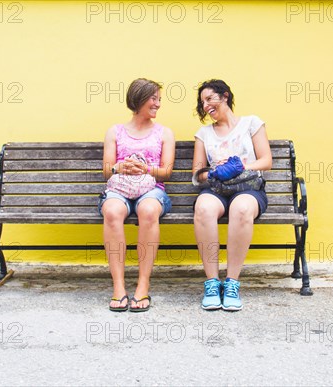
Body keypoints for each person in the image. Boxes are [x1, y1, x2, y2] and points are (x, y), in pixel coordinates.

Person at [192, 79, 272, 311]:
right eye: (202, 103)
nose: (206, 106)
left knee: (241, 208)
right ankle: (211, 283)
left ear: (225, 96)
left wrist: (240, 167)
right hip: (217, 188)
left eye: (209, 99)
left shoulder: (251, 123)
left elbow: (266, 161)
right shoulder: (203, 133)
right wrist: (216, 171)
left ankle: (232, 283)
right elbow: (198, 173)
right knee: (204, 208)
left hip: (248, 188)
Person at [99, 78, 175, 312]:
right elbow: (106, 170)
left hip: (152, 189)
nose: (158, 104)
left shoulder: (164, 133)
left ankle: (143, 285)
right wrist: (120, 167)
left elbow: (166, 172)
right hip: (119, 189)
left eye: (159, 99)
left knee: (148, 210)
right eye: (154, 99)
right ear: (139, 99)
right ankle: (119, 287)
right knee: (112, 211)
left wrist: (147, 169)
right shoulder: (115, 131)